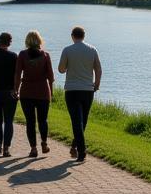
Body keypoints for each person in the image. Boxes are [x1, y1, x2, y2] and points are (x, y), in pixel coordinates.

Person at [58, 26, 101, 162]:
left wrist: (70, 64)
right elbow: (98, 69)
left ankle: (81, 151)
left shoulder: (67, 50)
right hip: (88, 90)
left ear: (72, 36)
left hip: (72, 90)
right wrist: (97, 84)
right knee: (83, 120)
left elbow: (61, 69)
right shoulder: (92, 50)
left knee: (77, 121)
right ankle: (75, 147)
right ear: (84, 36)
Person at [14, 30, 54, 158]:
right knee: (43, 120)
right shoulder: (46, 55)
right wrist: (51, 92)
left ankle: (33, 148)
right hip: (43, 91)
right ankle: (44, 142)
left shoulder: (22, 55)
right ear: (39, 40)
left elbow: (17, 74)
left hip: (26, 92)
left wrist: (16, 89)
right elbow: (51, 77)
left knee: (30, 121)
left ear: (27, 41)